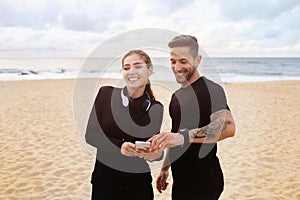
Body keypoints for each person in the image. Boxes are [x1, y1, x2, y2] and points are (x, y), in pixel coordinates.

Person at [148, 35, 236, 200]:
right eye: (173, 61)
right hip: (181, 180)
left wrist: (182, 137)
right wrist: (165, 168)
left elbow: (228, 127)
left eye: (183, 61)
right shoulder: (176, 96)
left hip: (205, 182)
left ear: (197, 60)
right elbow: (175, 134)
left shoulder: (211, 90)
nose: (177, 67)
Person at [85, 49, 164, 200]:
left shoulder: (156, 108)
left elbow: (151, 146)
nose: (131, 71)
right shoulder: (106, 94)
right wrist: (120, 146)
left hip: (138, 186)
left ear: (150, 70)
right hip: (104, 183)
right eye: (126, 68)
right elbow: (91, 135)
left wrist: (156, 155)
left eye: (138, 66)